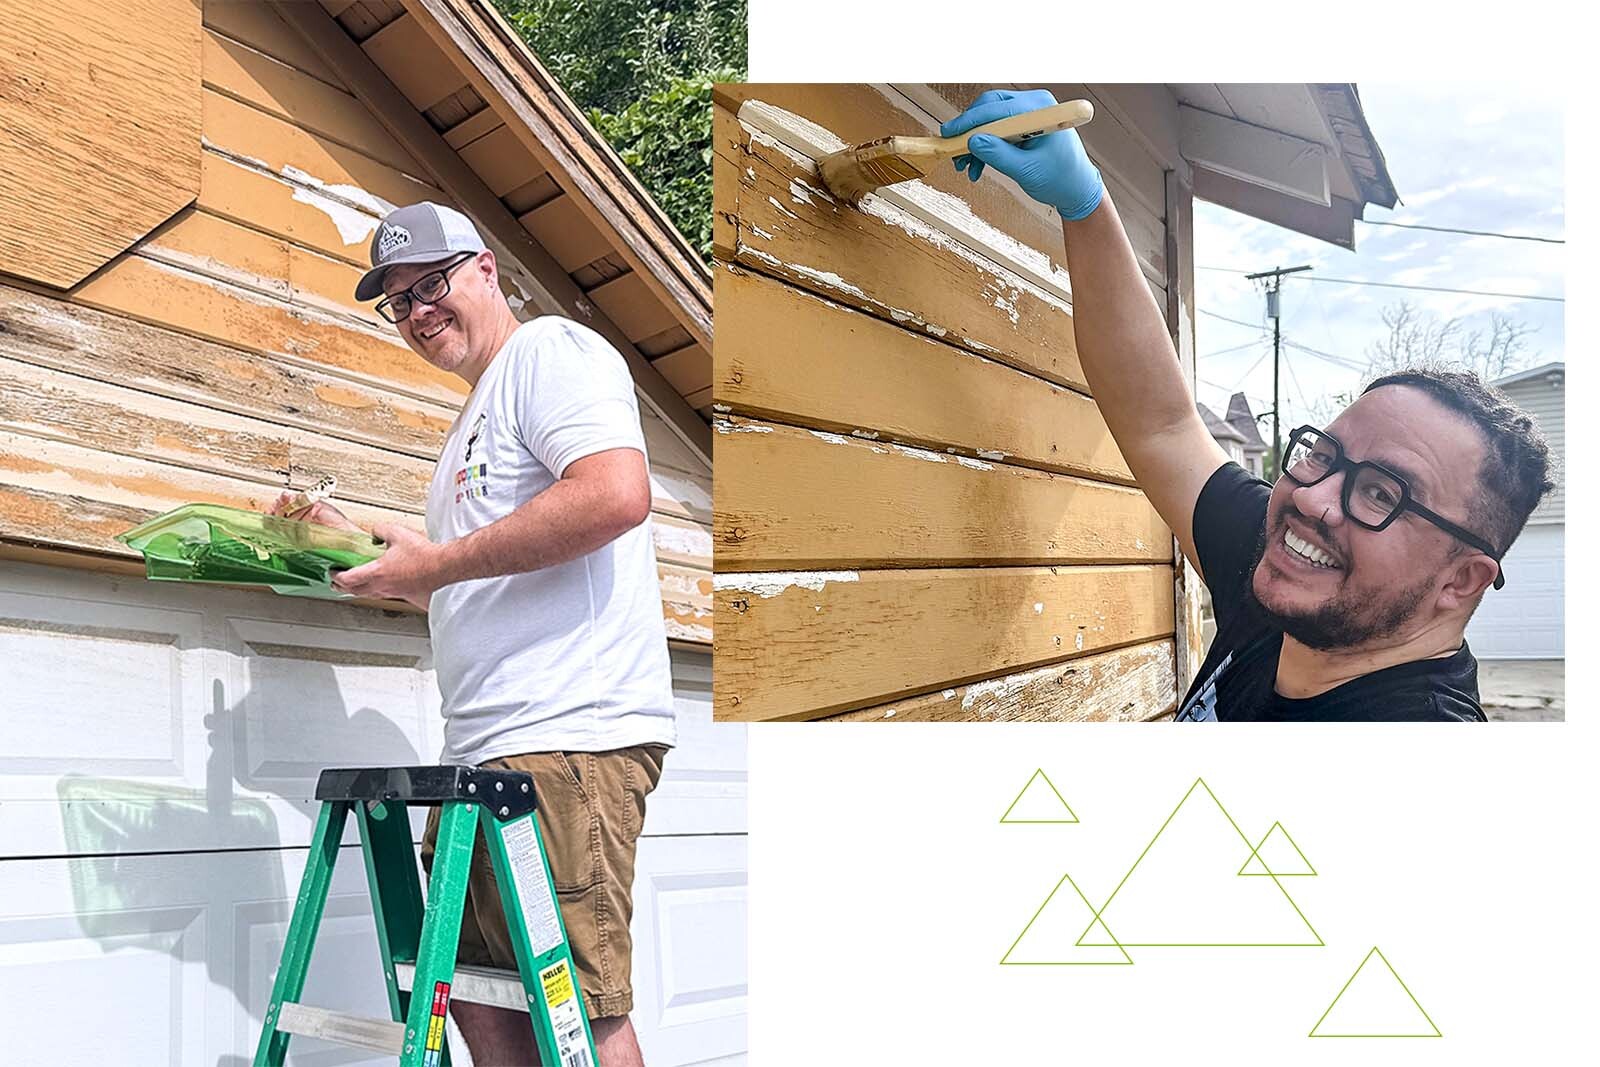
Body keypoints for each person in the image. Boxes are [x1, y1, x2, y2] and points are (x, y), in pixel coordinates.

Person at [943, 90, 1554, 722]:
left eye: (1381, 494)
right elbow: (1164, 426)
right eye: (1325, 455)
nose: (1315, 500)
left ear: (1461, 581)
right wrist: (1086, 203)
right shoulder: (1294, 582)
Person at [272, 201, 674, 1064]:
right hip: (487, 756)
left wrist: (436, 565)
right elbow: (464, 587)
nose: (419, 311)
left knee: (582, 1016)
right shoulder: (468, 429)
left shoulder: (549, 355)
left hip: (567, 739)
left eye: (433, 283)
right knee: (485, 1008)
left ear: (485, 269)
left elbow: (613, 494)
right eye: (399, 301)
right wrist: (359, 547)